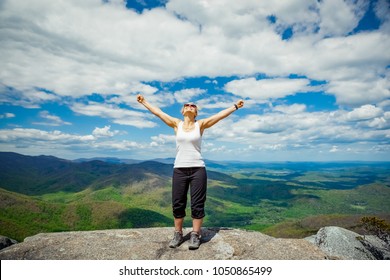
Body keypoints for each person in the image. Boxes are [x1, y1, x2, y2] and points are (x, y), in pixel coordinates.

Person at [137, 94, 244, 249]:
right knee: (178, 203)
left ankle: (195, 234)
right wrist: (144, 102)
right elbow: (159, 113)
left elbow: (219, 116)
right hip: (179, 168)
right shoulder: (176, 124)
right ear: (182, 111)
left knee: (197, 204)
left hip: (198, 169)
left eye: (193, 105)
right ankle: (178, 233)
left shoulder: (200, 125)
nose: (189, 106)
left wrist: (235, 106)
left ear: (196, 112)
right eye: (186, 105)